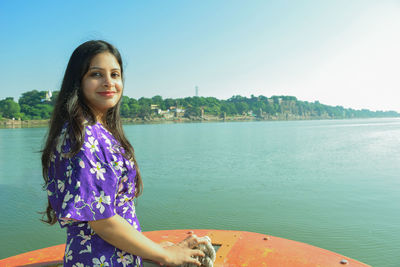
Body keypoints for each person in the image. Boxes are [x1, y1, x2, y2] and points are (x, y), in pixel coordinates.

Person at [41, 40, 205, 267]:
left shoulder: (94, 129)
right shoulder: (85, 136)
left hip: (108, 256)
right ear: (78, 81)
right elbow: (103, 221)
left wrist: (151, 248)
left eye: (115, 74)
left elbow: (114, 211)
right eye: (96, 74)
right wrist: (166, 256)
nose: (109, 82)